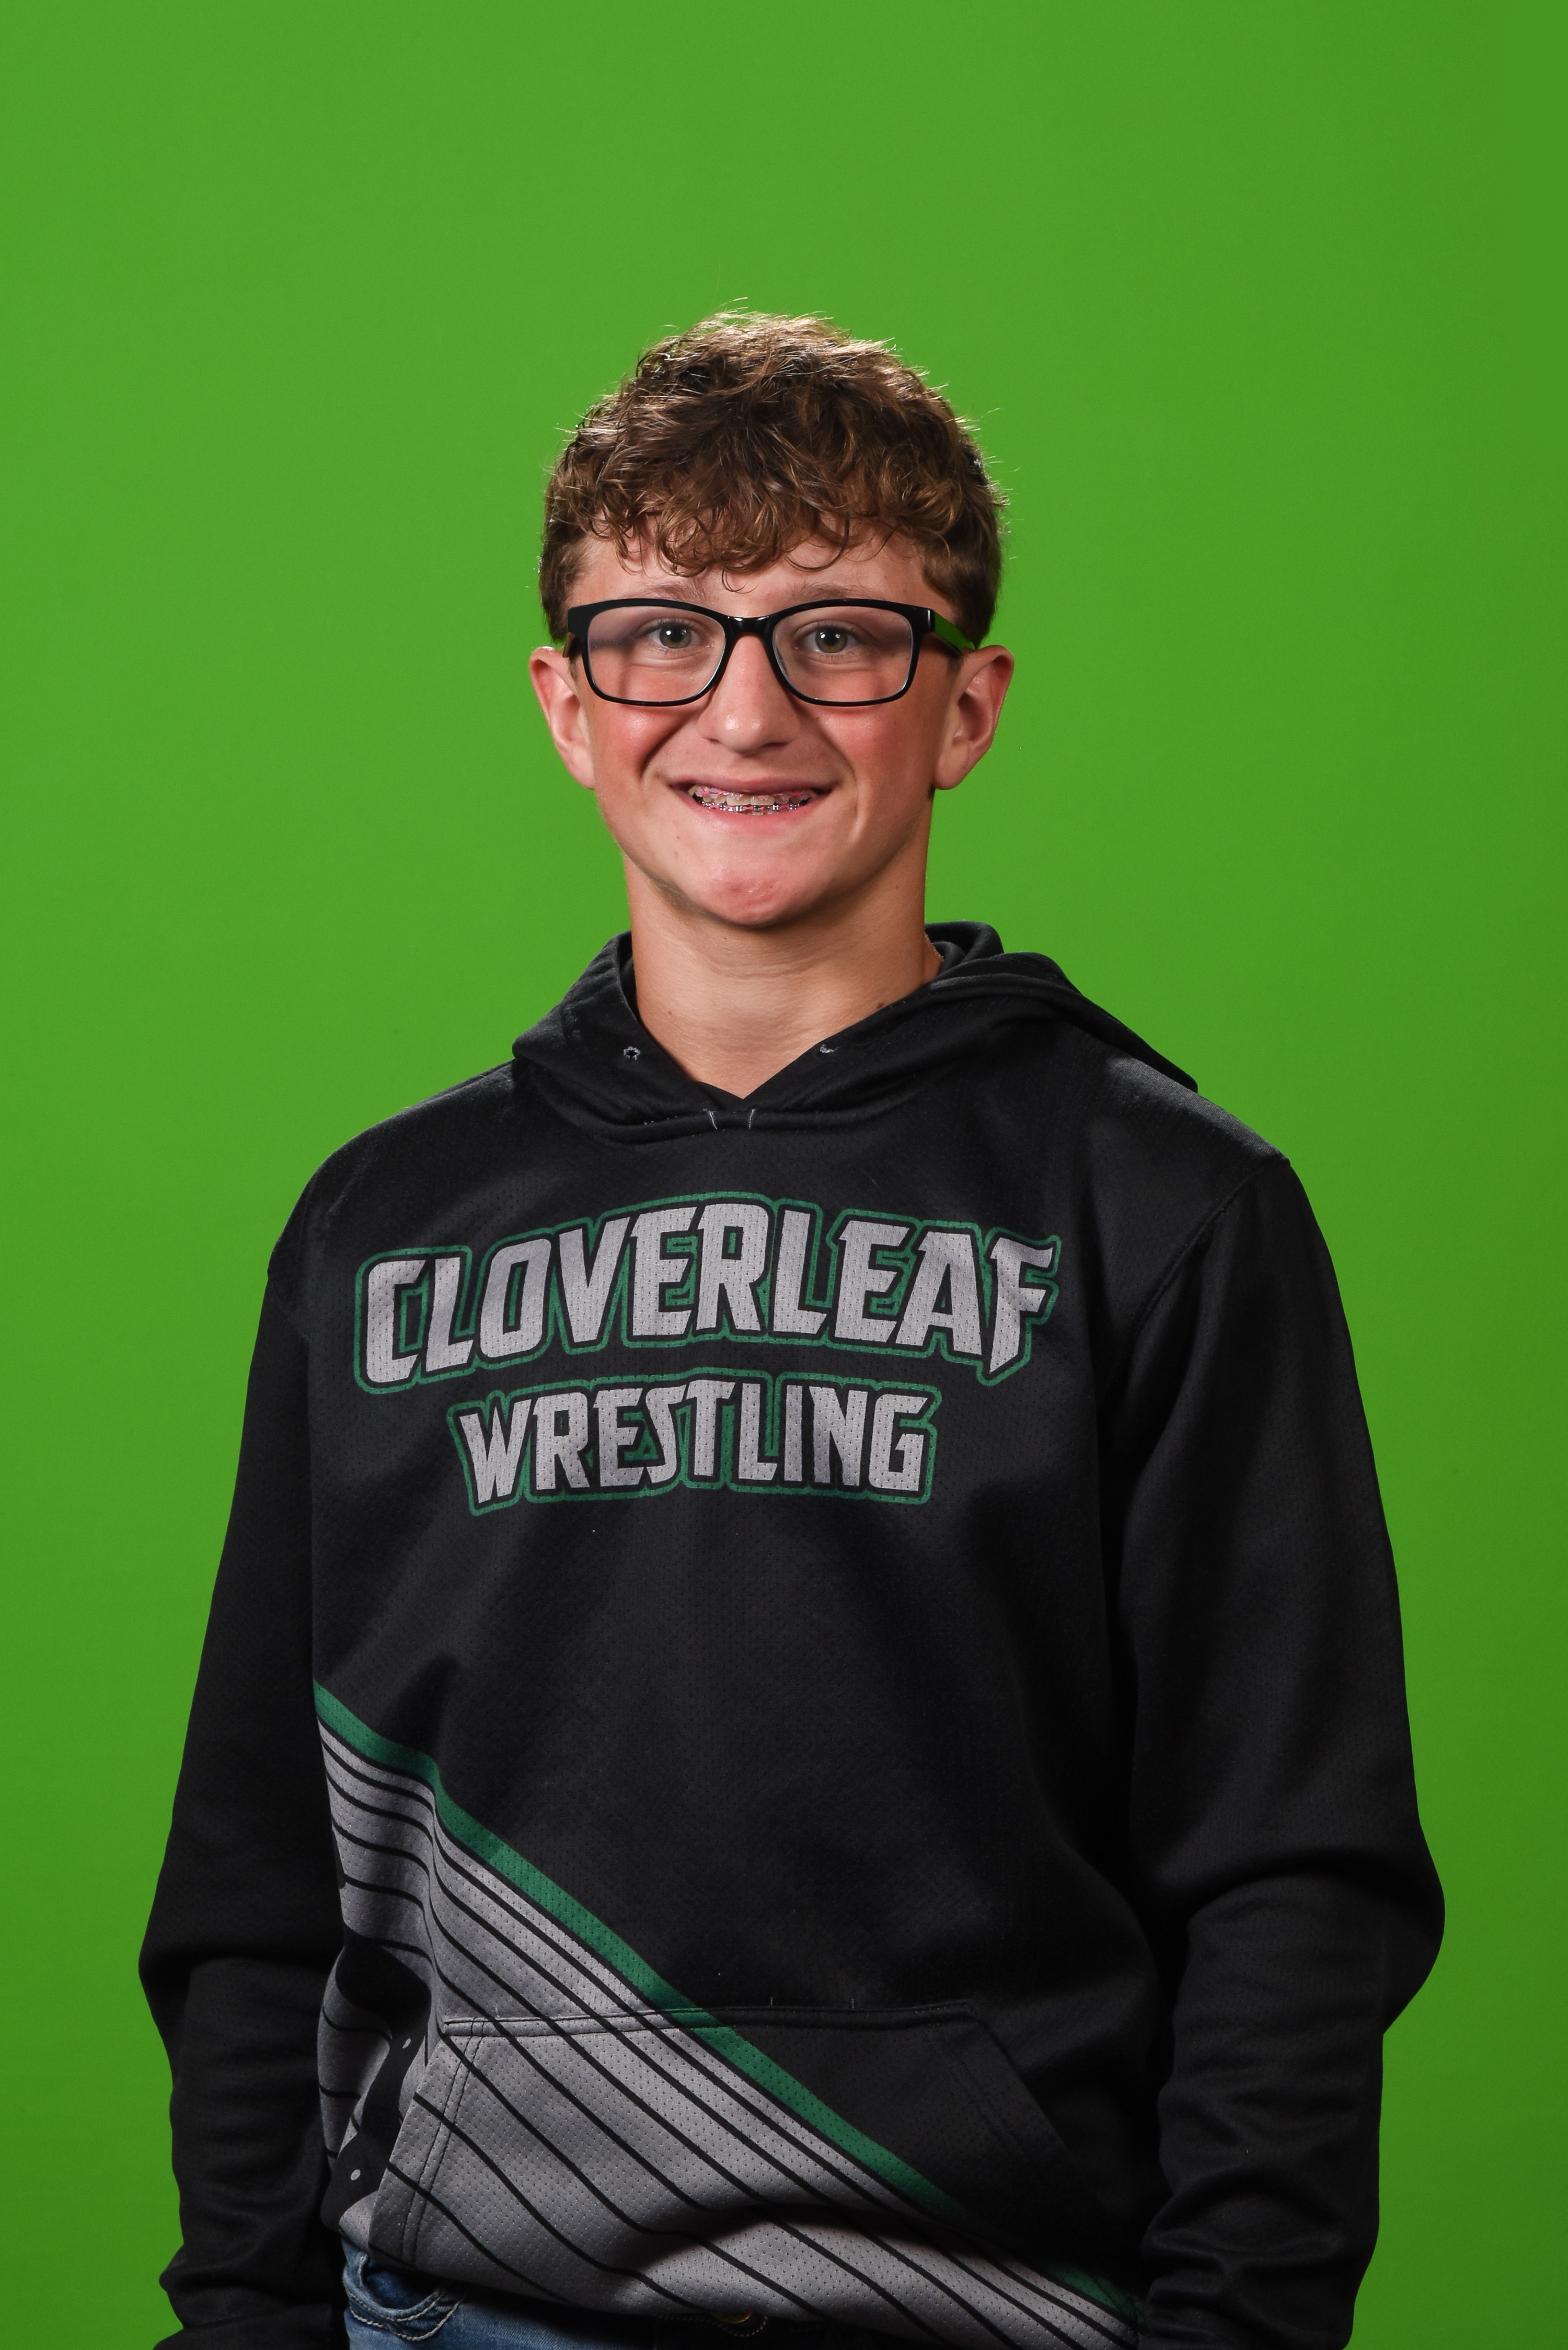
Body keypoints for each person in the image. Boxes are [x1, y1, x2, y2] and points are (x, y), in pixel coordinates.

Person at [142, 313, 1442, 2350]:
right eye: (662, 634)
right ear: (568, 703)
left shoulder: (1164, 1208)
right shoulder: (379, 1231)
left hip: (1000, 2303)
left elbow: (1293, 1871)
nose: (743, 709)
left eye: (838, 635)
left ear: (966, 703)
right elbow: (252, 1881)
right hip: (454, 2309)